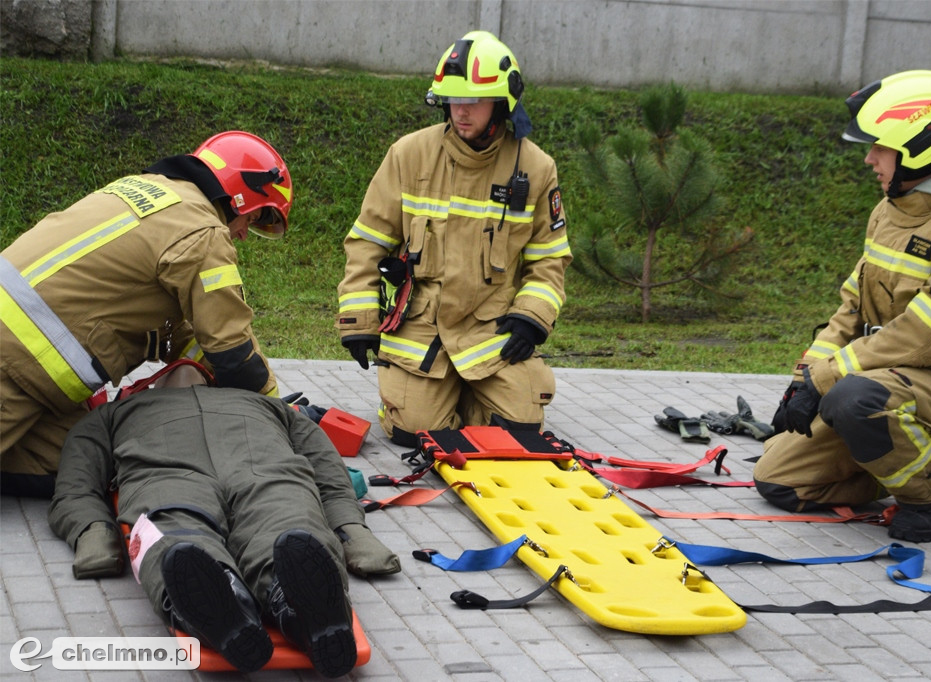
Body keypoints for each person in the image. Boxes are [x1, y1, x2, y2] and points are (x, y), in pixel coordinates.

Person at [754, 70, 931, 543]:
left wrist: (825, 380)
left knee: (854, 401)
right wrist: (804, 378)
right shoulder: (891, 209)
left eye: (880, 147)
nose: (869, 159)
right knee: (779, 481)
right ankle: (930, 455)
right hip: (883, 375)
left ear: (921, 147)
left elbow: (925, 337)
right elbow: (851, 310)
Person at [47, 361, 401, 677]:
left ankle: (273, 602)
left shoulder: (118, 412)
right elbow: (77, 478)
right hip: (219, 473)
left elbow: (326, 467)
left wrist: (349, 527)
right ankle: (242, 600)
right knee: (194, 539)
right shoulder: (267, 406)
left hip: (219, 474)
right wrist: (92, 530)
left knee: (282, 528)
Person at [2, 131, 291, 498]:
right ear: (239, 196)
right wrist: (277, 413)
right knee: (89, 462)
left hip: (26, 369)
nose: (245, 234)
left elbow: (182, 333)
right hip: (14, 368)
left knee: (86, 459)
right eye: (255, 217)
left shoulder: (146, 191)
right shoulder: (203, 233)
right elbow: (231, 350)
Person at [335, 31, 572, 447]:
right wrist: (359, 318)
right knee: (416, 433)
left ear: (503, 103)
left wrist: (531, 317)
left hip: (490, 331)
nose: (461, 111)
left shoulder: (535, 168)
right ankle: (428, 399)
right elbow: (367, 241)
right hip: (422, 328)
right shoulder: (409, 155)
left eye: (474, 100)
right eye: (453, 99)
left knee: (519, 430)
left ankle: (464, 393)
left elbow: (549, 259)